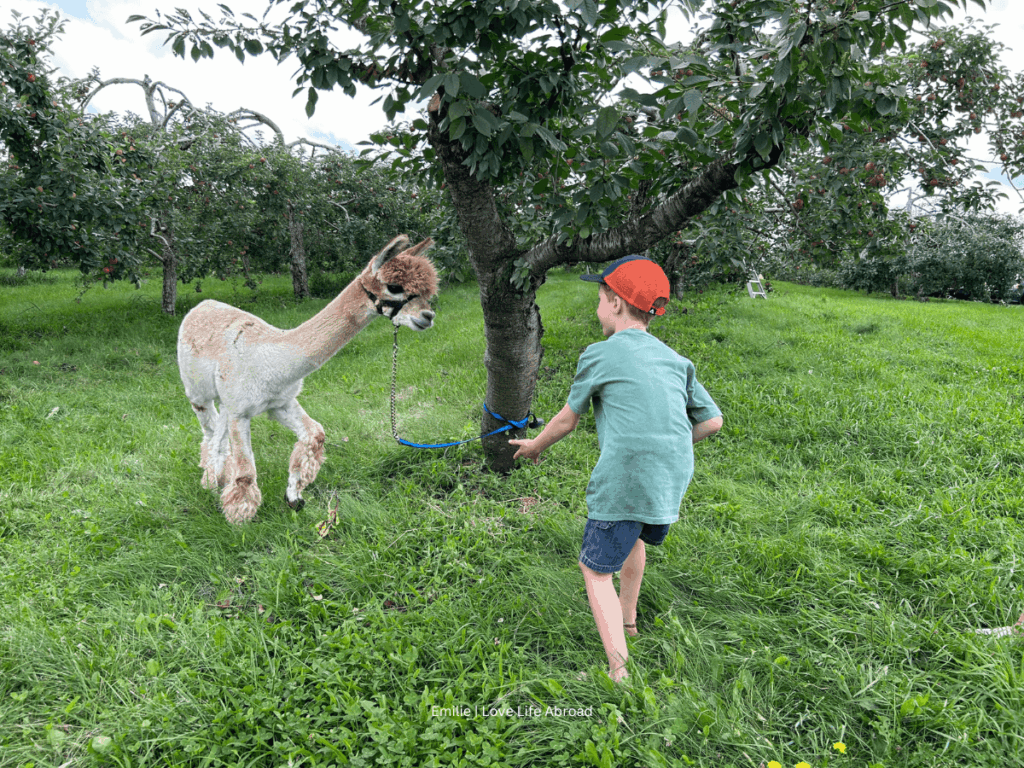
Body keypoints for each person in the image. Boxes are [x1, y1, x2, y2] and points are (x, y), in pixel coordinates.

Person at [509, 255, 723, 683]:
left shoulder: (599, 354)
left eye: (600, 300)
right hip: (669, 480)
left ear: (617, 304)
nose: (597, 310)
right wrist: (671, 444)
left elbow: (568, 419)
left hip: (626, 478)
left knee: (595, 570)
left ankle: (618, 673)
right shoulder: (676, 360)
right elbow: (712, 421)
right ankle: (629, 623)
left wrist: (535, 445)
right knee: (634, 537)